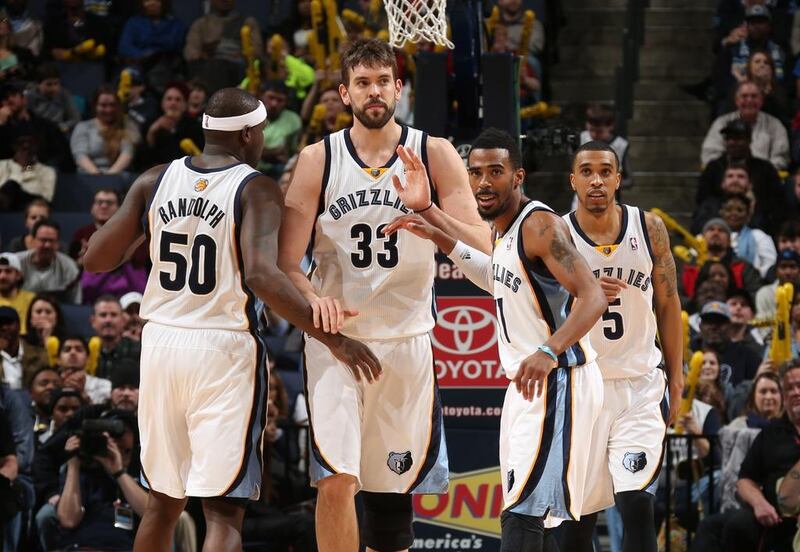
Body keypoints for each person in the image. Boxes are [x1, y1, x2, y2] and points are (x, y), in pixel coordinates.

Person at [83, 86, 381, 552]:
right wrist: (335, 340)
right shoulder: (255, 186)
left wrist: (128, 230)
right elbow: (263, 275)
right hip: (222, 349)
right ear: (247, 135)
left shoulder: (155, 179)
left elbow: (96, 260)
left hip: (160, 344)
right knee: (223, 512)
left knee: (163, 501)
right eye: (260, 131)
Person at [277, 38, 490, 552]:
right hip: (337, 343)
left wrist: (429, 211)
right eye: (362, 83)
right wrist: (313, 298)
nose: (374, 92)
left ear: (399, 88)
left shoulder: (434, 153)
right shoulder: (316, 158)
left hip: (406, 341)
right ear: (345, 95)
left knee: (390, 500)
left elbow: (487, 244)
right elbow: (285, 263)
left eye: (382, 81)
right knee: (336, 482)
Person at [385, 129, 607, 551]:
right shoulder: (503, 232)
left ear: (518, 176)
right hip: (529, 384)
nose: (484, 182)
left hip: (559, 380)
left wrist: (549, 350)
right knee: (550, 518)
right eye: (476, 173)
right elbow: (497, 278)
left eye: (496, 172)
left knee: (523, 513)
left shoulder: (539, 224)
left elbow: (592, 296)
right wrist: (435, 225)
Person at [555, 139, 684, 552]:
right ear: (573, 180)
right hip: (582, 387)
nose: (596, 180)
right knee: (578, 519)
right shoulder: (556, 233)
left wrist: (677, 379)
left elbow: (668, 302)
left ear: (618, 179)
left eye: (605, 171)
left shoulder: (649, 229)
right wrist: (580, 295)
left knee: (637, 505)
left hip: (640, 387)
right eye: (587, 171)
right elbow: (538, 311)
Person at [0, 252, 33, 334]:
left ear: (18, 275)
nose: (2, 276)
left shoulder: (32, 300)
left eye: (8, 271)